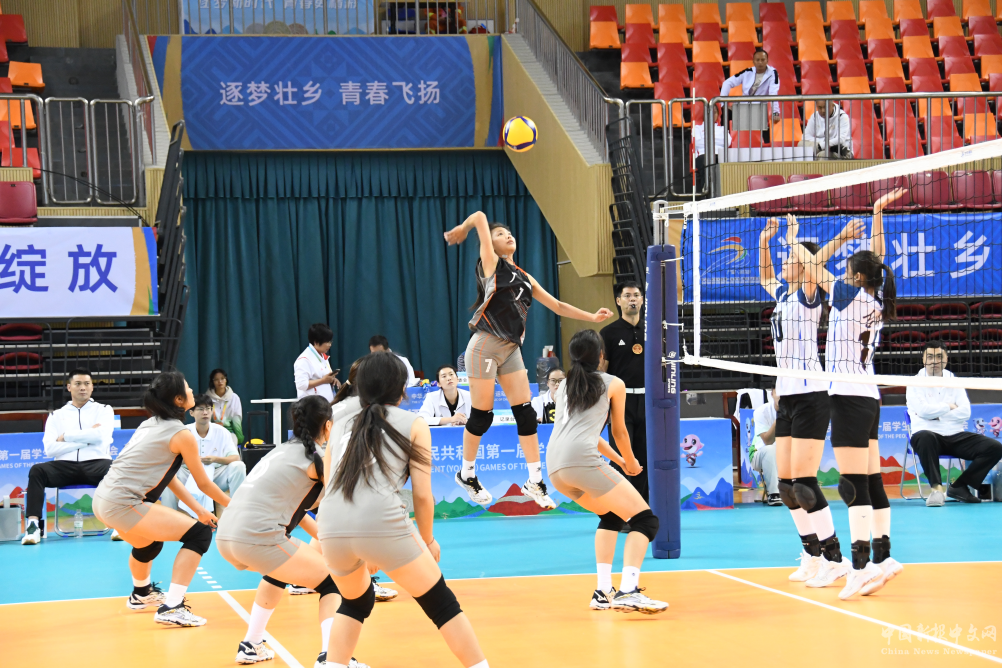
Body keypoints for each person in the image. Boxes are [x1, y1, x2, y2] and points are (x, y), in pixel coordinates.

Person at [318, 352, 489, 668]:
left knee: (354, 603)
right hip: (380, 521)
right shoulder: (413, 423)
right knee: (442, 605)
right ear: (401, 389)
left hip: (330, 526)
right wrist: (428, 539)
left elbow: (329, 484)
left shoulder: (339, 421)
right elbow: (422, 495)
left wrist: (362, 548)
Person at [444, 211, 613, 509]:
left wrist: (592, 316)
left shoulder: (524, 276)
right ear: (490, 245)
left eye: (508, 232)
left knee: (525, 414)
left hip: (511, 349)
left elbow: (557, 305)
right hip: (484, 345)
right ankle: (466, 474)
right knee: (482, 416)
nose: (507, 235)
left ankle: (535, 480)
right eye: (499, 234)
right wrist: (463, 228)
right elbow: (480, 216)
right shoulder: (490, 264)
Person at [797, 187, 908, 600]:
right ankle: (884, 557)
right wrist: (876, 214)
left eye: (847, 271)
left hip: (846, 394)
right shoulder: (875, 297)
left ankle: (859, 567)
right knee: (872, 480)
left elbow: (812, 266)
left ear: (857, 277)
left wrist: (795, 240)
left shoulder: (848, 296)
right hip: (869, 395)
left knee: (852, 483)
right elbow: (877, 259)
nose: (842, 276)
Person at [216, 395, 367, 668]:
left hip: (226, 536)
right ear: (329, 426)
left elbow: (299, 511)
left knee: (281, 570)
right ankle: (331, 658)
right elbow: (339, 511)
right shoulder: (317, 459)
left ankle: (252, 644)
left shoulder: (281, 451)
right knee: (332, 582)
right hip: (257, 538)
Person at [760, 213, 865, 588]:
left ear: (804, 268)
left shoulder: (808, 296)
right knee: (787, 488)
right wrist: (765, 241)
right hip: (787, 397)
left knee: (804, 484)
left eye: (791, 259)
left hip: (810, 395)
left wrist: (821, 239)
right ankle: (811, 554)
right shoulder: (782, 295)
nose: (786, 263)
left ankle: (835, 560)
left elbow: (815, 263)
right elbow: (765, 276)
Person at [93, 372, 230, 627]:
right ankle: (172, 607)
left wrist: (200, 510)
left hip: (102, 500)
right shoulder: (182, 434)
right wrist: (235, 507)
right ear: (178, 400)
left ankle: (141, 593)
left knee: (148, 543)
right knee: (199, 535)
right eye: (187, 388)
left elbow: (167, 477)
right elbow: (204, 483)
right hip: (122, 504)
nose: (192, 391)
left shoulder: (150, 423)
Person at [546, 330, 668, 614]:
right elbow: (619, 431)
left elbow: (589, 434)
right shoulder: (613, 383)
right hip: (581, 461)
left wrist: (620, 462)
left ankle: (603, 591)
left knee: (611, 515)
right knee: (646, 521)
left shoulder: (564, 386)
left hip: (555, 466)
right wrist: (631, 462)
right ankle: (628, 591)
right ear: (601, 355)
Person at [22, 368, 115, 545]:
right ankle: (33, 527)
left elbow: (101, 436)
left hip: (97, 463)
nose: (83, 388)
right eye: (78, 384)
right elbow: (50, 449)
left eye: (87, 384)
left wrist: (66, 436)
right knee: (37, 471)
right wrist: (87, 440)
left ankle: (119, 524)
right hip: (65, 466)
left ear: (92, 387)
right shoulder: (56, 415)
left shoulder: (104, 410)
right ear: (69, 387)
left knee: (116, 469)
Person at [906, 342, 1002, 506]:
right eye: (930, 357)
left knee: (995, 447)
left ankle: (960, 486)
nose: (934, 361)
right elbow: (923, 411)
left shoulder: (954, 381)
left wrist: (937, 416)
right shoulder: (914, 383)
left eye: (939, 356)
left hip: (955, 435)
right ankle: (937, 490)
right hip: (927, 436)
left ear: (946, 359)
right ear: (923, 359)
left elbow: (965, 412)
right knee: (925, 436)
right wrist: (948, 406)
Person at [599, 281, 649, 501]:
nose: (632, 299)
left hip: (648, 401)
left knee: (644, 457)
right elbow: (601, 370)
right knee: (621, 457)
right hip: (620, 402)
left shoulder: (653, 331)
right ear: (619, 301)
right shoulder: (608, 333)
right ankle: (620, 508)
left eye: (636, 295)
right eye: (627, 296)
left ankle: (642, 509)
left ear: (642, 300)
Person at [159, 394, 246, 515]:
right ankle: (169, 516)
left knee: (238, 466)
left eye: (208, 409)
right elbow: (170, 459)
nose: (205, 412)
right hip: (188, 474)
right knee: (166, 472)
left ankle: (238, 512)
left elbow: (235, 457)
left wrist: (215, 459)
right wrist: (191, 460)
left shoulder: (222, 432)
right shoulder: (183, 432)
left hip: (215, 476)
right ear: (191, 413)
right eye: (200, 409)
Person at [719, 48, 781, 142]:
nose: (760, 62)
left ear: (767, 61)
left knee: (761, 135)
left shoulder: (773, 73)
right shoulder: (747, 72)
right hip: (743, 106)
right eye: (757, 60)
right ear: (753, 61)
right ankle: (726, 141)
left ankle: (763, 144)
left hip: (759, 109)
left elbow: (773, 93)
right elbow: (727, 83)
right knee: (726, 113)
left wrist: (775, 112)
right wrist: (723, 104)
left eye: (763, 60)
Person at [751, 388, 782, 506]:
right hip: (760, 455)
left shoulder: (797, 411)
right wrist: (781, 416)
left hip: (786, 454)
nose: (782, 395)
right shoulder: (761, 411)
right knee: (770, 449)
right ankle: (774, 494)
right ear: (772, 393)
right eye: (779, 391)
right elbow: (768, 441)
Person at [295, 323, 340, 403]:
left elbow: (322, 377)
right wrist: (323, 380)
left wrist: (332, 379)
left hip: (325, 404)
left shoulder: (322, 356)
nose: (329, 345)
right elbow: (301, 385)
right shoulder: (304, 360)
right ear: (316, 342)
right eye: (327, 342)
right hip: (311, 405)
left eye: (330, 341)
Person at [691, 105, 727, 192]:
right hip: (702, 155)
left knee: (722, 164)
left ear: (718, 115)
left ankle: (720, 191)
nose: (712, 115)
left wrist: (707, 139)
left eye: (715, 113)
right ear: (704, 114)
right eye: (709, 112)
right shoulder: (697, 128)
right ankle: (707, 190)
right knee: (706, 163)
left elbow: (727, 141)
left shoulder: (722, 129)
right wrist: (717, 139)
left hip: (719, 154)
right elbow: (697, 143)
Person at [207, 368, 244, 444]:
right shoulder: (207, 398)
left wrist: (239, 437)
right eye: (216, 379)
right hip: (212, 432)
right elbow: (204, 420)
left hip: (229, 432)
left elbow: (236, 419)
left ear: (226, 380)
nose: (220, 381)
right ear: (212, 381)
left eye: (222, 378)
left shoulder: (234, 398)